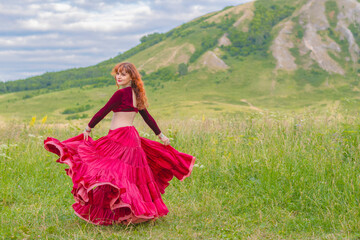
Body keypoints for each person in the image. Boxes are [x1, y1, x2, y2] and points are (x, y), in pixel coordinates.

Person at [44, 62, 196, 225]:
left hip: (119, 138)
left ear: (132, 77)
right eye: (117, 73)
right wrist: (161, 135)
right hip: (132, 138)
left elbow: (104, 110)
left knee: (107, 170)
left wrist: (88, 127)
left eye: (123, 74)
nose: (119, 76)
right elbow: (148, 117)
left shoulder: (121, 94)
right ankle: (130, 211)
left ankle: (124, 211)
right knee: (126, 176)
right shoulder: (136, 95)